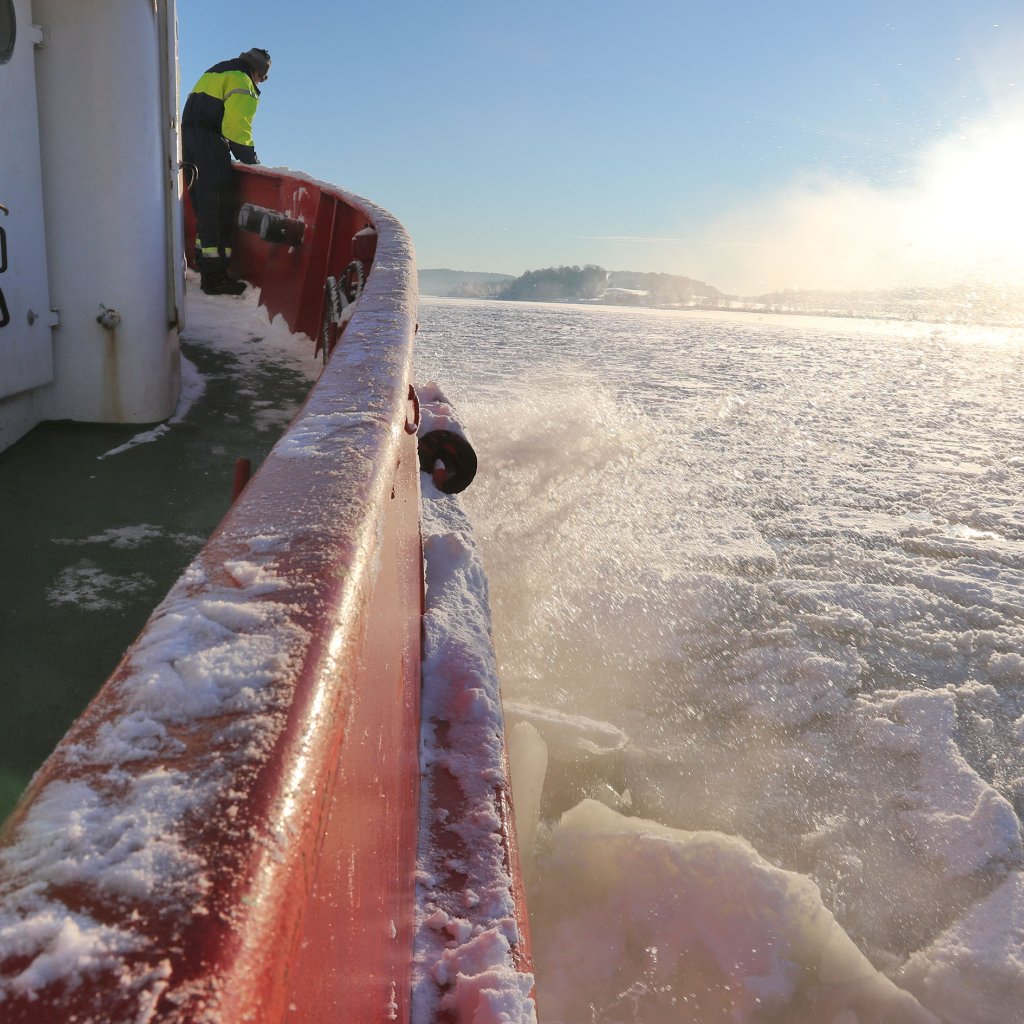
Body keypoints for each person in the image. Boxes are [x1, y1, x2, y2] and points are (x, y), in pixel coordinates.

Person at [182, 48, 271, 295]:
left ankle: (205, 267)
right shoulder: (242, 82)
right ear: (257, 72)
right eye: (262, 78)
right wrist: (252, 162)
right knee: (218, 208)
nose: (260, 82)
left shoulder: (215, 71)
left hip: (187, 142)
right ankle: (215, 278)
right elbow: (235, 129)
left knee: (204, 207)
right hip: (210, 144)